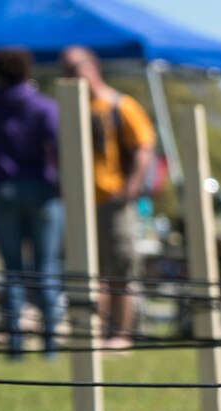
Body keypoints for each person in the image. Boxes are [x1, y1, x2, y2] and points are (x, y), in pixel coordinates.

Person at [0, 47, 60, 359]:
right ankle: (50, 346)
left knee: (12, 271)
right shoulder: (44, 106)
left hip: (4, 194)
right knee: (46, 268)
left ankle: (16, 348)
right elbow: (61, 147)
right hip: (43, 194)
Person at [57, 46, 153, 351]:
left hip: (114, 200)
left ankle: (121, 336)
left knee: (121, 271)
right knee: (88, 272)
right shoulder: (70, 108)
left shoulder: (119, 104)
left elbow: (143, 147)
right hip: (79, 202)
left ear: (92, 65)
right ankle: (93, 336)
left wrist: (131, 186)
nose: (70, 75)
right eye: (65, 69)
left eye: (74, 68)